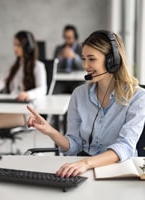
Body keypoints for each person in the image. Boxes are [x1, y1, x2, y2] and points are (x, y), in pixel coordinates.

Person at [28, 30, 145, 177]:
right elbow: (74, 144)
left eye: (91, 59)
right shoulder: (79, 94)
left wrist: (86, 163)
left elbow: (125, 146)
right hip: (85, 169)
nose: (86, 65)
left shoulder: (138, 97)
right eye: (83, 59)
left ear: (112, 60)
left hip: (119, 171)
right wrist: (50, 131)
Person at [0, 31, 47, 154]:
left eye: (18, 45)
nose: (15, 48)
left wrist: (29, 94)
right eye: (14, 44)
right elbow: (1, 82)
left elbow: (42, 89)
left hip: (25, 113)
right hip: (11, 109)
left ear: (28, 47)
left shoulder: (38, 66)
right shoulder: (15, 66)